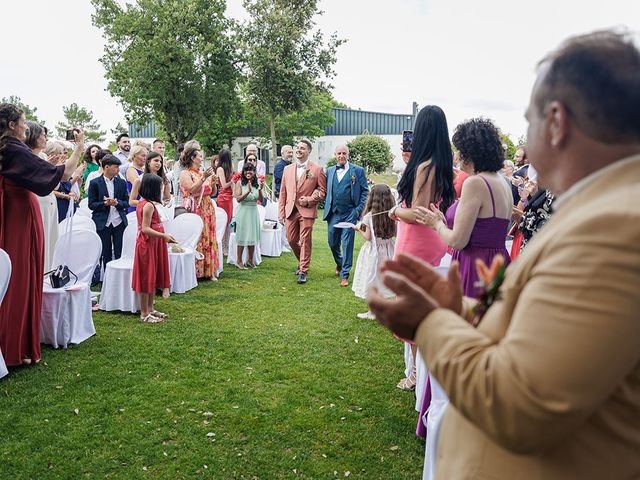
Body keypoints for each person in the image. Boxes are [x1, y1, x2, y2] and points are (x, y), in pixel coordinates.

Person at [368, 30, 640, 479]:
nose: (526, 140)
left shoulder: (612, 229)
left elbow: (521, 404)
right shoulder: (597, 206)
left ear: (557, 121)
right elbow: (539, 323)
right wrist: (456, 304)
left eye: (529, 120)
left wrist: (432, 321)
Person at [0, 103, 85, 366]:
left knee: (11, 276)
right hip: (20, 214)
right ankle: (14, 349)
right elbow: (62, 174)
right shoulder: (14, 149)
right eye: (23, 121)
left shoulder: (6, 150)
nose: (26, 126)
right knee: (21, 278)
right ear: (12, 124)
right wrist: (79, 146)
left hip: (11, 212)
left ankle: (16, 346)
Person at [390, 105, 455, 391]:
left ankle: (418, 375)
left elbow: (416, 213)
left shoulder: (425, 166)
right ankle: (422, 372)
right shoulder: (442, 165)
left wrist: (394, 211)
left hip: (416, 242)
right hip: (433, 240)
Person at [421, 118, 513, 298]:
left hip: (476, 266)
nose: (457, 155)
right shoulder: (502, 181)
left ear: (471, 153)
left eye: (460, 150)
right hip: (498, 262)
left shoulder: (476, 183)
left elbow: (457, 241)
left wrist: (437, 224)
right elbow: (482, 226)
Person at [278, 139, 327, 284]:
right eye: (297, 147)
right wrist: (281, 212)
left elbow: (322, 191)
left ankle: (303, 270)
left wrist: (310, 199)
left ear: (309, 151)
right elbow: (283, 193)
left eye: (302, 148)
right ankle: (302, 262)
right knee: (291, 239)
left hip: (306, 210)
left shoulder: (317, 170)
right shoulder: (288, 169)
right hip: (290, 210)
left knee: (305, 240)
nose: (299, 150)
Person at [131, 174, 176, 323]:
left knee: (152, 276)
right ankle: (144, 313)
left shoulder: (148, 202)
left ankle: (151, 309)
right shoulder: (148, 205)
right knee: (146, 278)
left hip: (154, 243)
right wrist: (164, 236)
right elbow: (144, 228)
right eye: (160, 187)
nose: (161, 190)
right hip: (148, 243)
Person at [323, 145, 369, 286]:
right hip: (334, 212)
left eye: (344, 153)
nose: (341, 156)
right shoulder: (330, 171)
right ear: (335, 155)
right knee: (332, 242)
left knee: (347, 242)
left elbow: (365, 191)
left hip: (350, 212)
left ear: (348, 155)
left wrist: (358, 210)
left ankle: (345, 274)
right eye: (339, 153)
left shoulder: (358, 171)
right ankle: (340, 262)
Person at [351, 184, 396, 319]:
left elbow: (368, 237)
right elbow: (395, 232)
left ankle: (373, 312)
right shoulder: (393, 214)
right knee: (384, 278)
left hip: (373, 252)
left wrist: (359, 228)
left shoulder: (369, 216)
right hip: (388, 249)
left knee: (372, 279)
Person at [179, 147, 220, 280]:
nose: (202, 158)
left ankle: (210, 270)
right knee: (198, 238)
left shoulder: (202, 172)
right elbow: (191, 190)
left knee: (209, 237)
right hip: (196, 207)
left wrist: (213, 183)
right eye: (199, 156)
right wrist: (204, 178)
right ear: (192, 158)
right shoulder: (185, 173)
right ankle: (197, 271)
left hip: (208, 207)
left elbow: (212, 193)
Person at [25, 121, 60, 271]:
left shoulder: (44, 156)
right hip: (38, 203)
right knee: (41, 240)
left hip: (51, 203)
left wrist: (53, 169)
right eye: (43, 135)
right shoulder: (26, 157)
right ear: (33, 136)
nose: (45, 138)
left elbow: (55, 185)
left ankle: (49, 273)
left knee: (52, 240)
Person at [88, 154, 129, 272]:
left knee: (119, 251)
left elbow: (126, 202)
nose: (118, 170)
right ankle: (107, 277)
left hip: (119, 221)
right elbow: (91, 205)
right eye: (116, 167)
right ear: (107, 167)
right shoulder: (95, 183)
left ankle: (120, 276)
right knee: (105, 252)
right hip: (102, 222)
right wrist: (105, 204)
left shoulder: (121, 182)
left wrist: (117, 203)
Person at [233, 162, 264, 269]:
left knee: (252, 236)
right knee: (242, 235)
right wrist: (248, 191)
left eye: (251, 170)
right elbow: (238, 199)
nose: (248, 172)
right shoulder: (239, 183)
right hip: (243, 211)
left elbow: (261, 200)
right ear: (243, 172)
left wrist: (260, 190)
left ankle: (250, 260)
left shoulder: (257, 183)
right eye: (246, 170)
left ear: (254, 172)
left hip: (253, 211)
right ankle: (239, 260)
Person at [47, 141, 84, 222]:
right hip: (55, 204)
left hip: (66, 204)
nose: (62, 155)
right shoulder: (47, 168)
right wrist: (64, 196)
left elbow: (66, 184)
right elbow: (48, 189)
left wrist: (72, 192)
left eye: (62, 153)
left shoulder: (62, 167)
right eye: (59, 153)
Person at [215, 148, 234, 255]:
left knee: (228, 224)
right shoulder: (220, 169)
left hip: (230, 198)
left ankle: (226, 246)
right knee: (224, 223)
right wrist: (233, 180)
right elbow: (224, 185)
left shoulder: (229, 169)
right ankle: (223, 246)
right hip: (223, 198)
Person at [125, 145, 148, 212]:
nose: (145, 158)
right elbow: (140, 187)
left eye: (146, 156)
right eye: (143, 156)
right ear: (134, 156)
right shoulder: (131, 170)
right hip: (136, 207)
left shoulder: (144, 170)